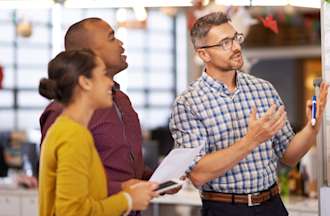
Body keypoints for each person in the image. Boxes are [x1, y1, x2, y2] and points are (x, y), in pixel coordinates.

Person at [169, 12, 328, 216]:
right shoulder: (188, 103)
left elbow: (289, 156)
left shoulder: (263, 89)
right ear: (203, 54)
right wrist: (252, 140)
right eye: (225, 43)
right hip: (224, 209)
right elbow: (199, 174)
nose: (236, 47)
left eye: (236, 38)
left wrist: (312, 128)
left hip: (272, 206)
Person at [39, 18, 152, 197]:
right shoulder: (64, 111)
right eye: (112, 38)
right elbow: (63, 185)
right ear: (88, 54)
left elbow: (124, 165)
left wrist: (154, 180)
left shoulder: (121, 100)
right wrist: (125, 192)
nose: (121, 43)